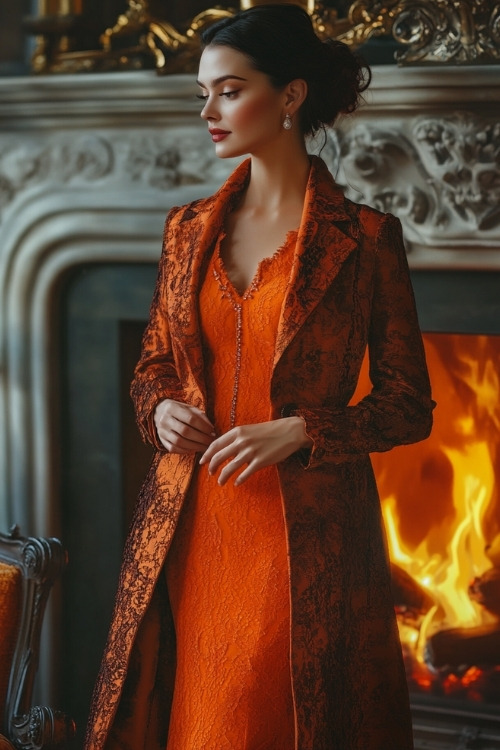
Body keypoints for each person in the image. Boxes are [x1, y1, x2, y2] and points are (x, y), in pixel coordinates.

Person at [84, 4, 435, 749]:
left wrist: (305, 429)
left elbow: (408, 405)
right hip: (189, 524)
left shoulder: (365, 239)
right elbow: (154, 365)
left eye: (230, 90)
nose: (208, 111)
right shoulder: (187, 229)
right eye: (204, 94)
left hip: (300, 535)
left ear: (291, 95)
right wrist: (161, 411)